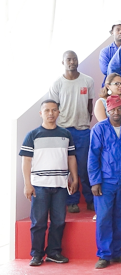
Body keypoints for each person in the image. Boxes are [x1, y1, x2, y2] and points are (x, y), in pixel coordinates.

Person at [21, 100, 78, 266]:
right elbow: (26, 161)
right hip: (39, 185)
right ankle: (36, 254)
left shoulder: (65, 134)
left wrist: (74, 178)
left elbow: (71, 157)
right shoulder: (33, 135)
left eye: (54, 110)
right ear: (41, 113)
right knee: (38, 222)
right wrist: (27, 184)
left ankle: (54, 252)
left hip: (60, 185)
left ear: (59, 112)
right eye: (47, 110)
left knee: (58, 221)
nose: (51, 113)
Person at [87, 94, 121, 268]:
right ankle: (104, 254)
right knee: (104, 217)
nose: (116, 112)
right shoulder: (99, 129)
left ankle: (117, 252)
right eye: (113, 109)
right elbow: (93, 156)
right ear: (107, 110)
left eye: (119, 109)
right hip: (105, 181)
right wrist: (95, 181)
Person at [48, 51, 94, 214]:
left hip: (83, 131)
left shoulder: (88, 81)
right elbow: (53, 108)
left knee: (85, 167)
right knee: (66, 168)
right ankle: (72, 201)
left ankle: (90, 200)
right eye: (68, 59)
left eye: (74, 59)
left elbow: (90, 104)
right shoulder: (57, 84)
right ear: (63, 62)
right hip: (64, 131)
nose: (72, 62)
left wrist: (86, 121)